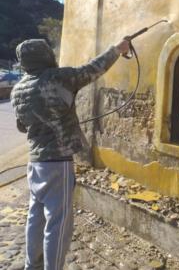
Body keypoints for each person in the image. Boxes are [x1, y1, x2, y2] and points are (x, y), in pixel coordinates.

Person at [10, 38, 130, 270]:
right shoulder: (57, 78)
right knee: (59, 222)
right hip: (58, 163)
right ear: (45, 55)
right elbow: (92, 70)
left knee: (35, 216)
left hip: (35, 163)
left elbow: (22, 126)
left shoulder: (17, 90)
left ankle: (31, 265)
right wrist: (117, 49)